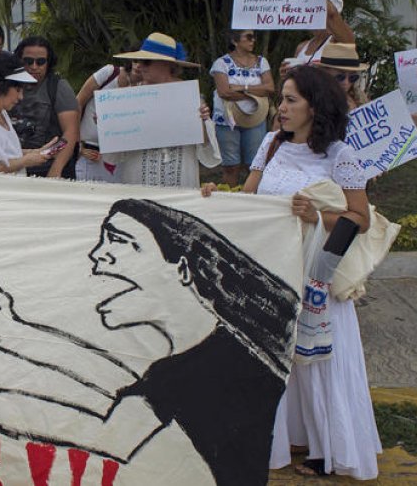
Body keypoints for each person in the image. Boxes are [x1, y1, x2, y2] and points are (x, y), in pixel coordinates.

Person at [0, 198, 299, 485]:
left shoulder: (228, 362)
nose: (98, 255)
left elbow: (107, 430)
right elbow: (115, 381)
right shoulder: (198, 359)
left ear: (183, 270)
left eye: (119, 242)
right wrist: (11, 334)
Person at [206, 65, 378, 478]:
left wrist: (319, 213)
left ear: (315, 107)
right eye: (281, 99)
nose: (280, 108)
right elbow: (250, 199)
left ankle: (327, 448)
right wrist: (216, 198)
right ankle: (290, 436)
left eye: (290, 100)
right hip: (273, 266)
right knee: (278, 353)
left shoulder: (340, 155)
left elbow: (362, 218)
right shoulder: (269, 144)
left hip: (315, 270)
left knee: (316, 357)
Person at [105, 33, 220, 188]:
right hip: (140, 183)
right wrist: (108, 125)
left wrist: (203, 122)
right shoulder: (128, 99)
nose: (139, 66)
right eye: (138, 61)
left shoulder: (191, 98)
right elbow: (115, 155)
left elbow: (207, 152)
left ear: (166, 64)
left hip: (180, 183)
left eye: (146, 62)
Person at [8, 36, 79, 178]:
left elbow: (70, 133)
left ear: (48, 62)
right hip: (13, 166)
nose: (34, 67)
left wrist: (56, 168)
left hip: (47, 168)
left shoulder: (58, 87)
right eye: (28, 61)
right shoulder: (8, 85)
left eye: (40, 62)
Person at [211, 29, 275, 186]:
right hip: (228, 120)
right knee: (230, 166)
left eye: (254, 37)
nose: (253, 40)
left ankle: (252, 199)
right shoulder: (221, 63)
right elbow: (224, 91)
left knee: (254, 165)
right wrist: (256, 95)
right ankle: (230, 199)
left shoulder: (261, 61)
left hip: (255, 119)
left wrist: (240, 88)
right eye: (249, 37)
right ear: (235, 41)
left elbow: (270, 88)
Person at [74, 56, 136, 182]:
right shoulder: (109, 73)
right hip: (89, 152)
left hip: (119, 157)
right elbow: (78, 102)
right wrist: (77, 146)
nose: (140, 66)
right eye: (138, 61)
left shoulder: (144, 88)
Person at [313, 42, 368, 111]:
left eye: (352, 78)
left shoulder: (359, 96)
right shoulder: (311, 98)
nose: (346, 82)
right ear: (323, 73)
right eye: (340, 77)